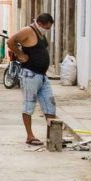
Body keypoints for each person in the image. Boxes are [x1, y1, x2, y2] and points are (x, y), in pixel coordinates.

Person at [7, 13, 55, 146]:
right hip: (30, 74)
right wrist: (20, 54)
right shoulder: (27, 31)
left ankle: (53, 136)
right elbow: (10, 41)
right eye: (47, 27)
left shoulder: (40, 33)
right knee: (29, 104)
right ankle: (30, 135)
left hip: (42, 76)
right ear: (39, 24)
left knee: (49, 105)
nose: (47, 30)